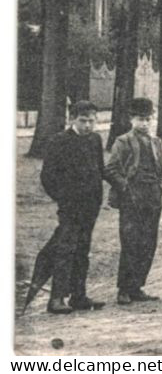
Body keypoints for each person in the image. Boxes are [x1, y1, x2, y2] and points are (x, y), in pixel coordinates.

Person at [37, 100, 106, 314]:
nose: (87, 125)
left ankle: (79, 296)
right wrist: (63, 200)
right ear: (71, 119)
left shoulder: (95, 139)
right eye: (83, 121)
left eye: (91, 121)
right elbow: (47, 176)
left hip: (90, 207)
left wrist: (98, 198)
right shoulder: (59, 141)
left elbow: (99, 170)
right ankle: (56, 298)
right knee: (65, 250)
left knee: (82, 251)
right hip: (70, 207)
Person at [104, 98, 162, 305]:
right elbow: (111, 169)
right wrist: (126, 188)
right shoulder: (123, 141)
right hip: (131, 199)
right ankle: (123, 289)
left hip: (153, 198)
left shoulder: (156, 142)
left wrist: (158, 187)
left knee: (148, 243)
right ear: (131, 119)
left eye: (148, 119)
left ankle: (137, 287)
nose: (145, 123)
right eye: (140, 119)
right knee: (130, 242)